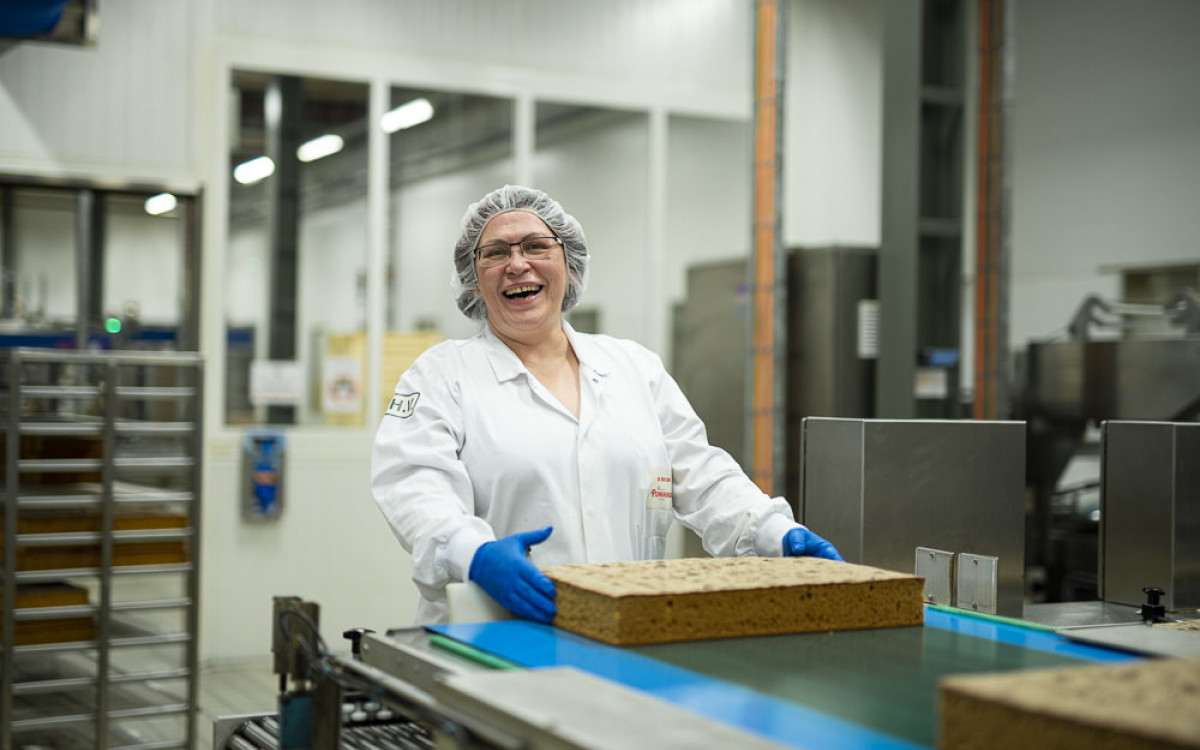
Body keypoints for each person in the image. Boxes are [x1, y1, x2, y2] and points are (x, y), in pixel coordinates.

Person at [371, 184, 843, 626]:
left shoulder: (633, 368)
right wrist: (473, 554)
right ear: (473, 281)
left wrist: (771, 531)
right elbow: (414, 487)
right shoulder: (441, 376)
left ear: (569, 263)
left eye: (536, 246)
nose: (517, 264)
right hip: (490, 633)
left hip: (624, 631)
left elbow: (702, 476)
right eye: (495, 253)